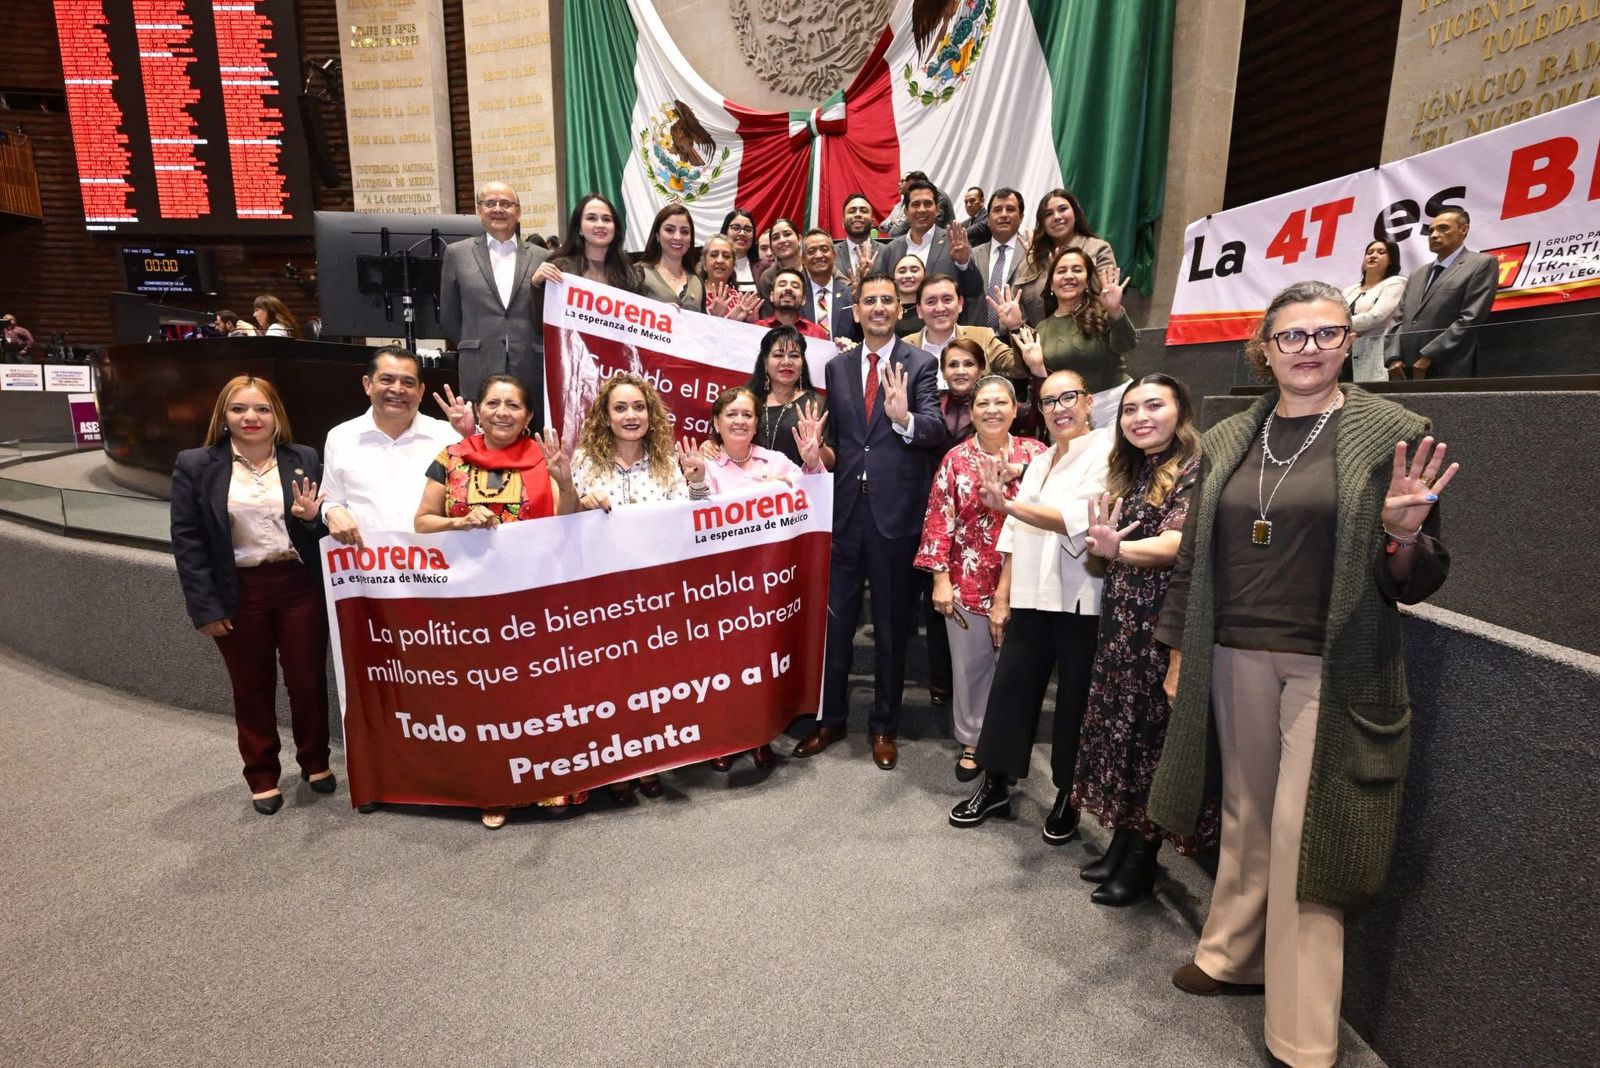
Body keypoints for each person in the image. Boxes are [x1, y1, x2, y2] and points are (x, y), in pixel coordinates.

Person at [1147, 280, 1456, 1068]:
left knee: (1304, 836)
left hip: (1331, 663)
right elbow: (1194, 558)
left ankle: (1302, 1032)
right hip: (1233, 653)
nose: (1309, 348)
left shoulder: (1395, 433)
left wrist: (1402, 536)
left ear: (1349, 342)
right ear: (1266, 349)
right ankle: (1232, 953)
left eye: (1326, 333)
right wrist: (1178, 652)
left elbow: (1415, 580)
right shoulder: (1228, 436)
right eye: (1292, 335)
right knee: (1245, 813)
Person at [948, 369, 1111, 845]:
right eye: (1048, 401)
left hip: (1081, 599)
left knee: (1074, 702)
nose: (1059, 408)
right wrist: (1002, 596)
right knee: (1010, 692)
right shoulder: (1040, 461)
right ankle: (996, 782)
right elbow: (1015, 533)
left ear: (1088, 402)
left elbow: (1076, 519)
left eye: (1068, 398)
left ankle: (1068, 795)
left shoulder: (1106, 451)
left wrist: (1009, 505)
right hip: (1031, 596)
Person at [1070, 373, 1214, 907]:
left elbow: (1177, 543)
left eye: (1154, 406)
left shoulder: (1195, 468)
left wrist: (1119, 551)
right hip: (1121, 625)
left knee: (1150, 743)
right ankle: (1123, 843)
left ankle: (1142, 861)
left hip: (1161, 627)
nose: (1140, 417)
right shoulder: (1134, 470)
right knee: (1123, 737)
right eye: (1130, 409)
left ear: (1182, 412)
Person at [793, 272, 943, 771]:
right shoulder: (836, 368)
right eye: (869, 301)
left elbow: (934, 430)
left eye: (887, 300)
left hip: (896, 516)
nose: (878, 307)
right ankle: (830, 719)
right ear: (855, 312)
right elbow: (840, 444)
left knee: (891, 628)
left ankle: (883, 727)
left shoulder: (920, 364)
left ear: (900, 309)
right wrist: (817, 455)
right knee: (835, 624)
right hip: (844, 514)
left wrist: (903, 419)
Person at [414, 373, 577, 828]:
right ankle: (494, 789)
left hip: (534, 597)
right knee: (484, 698)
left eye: (513, 405)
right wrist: (459, 522)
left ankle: (546, 782)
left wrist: (566, 483)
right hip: (470, 601)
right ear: (479, 410)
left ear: (528, 416)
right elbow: (422, 522)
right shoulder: (449, 458)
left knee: (537, 695)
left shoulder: (545, 458)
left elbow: (567, 521)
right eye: (493, 403)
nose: (502, 412)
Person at [169, 376, 332, 815]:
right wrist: (205, 607)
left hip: (299, 586)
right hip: (239, 589)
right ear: (223, 417)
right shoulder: (196, 464)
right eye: (239, 409)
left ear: (277, 415)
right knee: (252, 687)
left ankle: (316, 762)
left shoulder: (304, 458)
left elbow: (319, 529)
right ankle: (261, 776)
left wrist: (310, 519)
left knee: (308, 681)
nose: (251, 417)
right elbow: (188, 542)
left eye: (262, 408)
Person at [683, 386, 827, 771]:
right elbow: (697, 520)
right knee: (724, 665)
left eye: (747, 414)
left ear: (756, 422)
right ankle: (725, 739)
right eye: (731, 414)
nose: (740, 421)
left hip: (770, 585)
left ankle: (760, 736)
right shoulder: (705, 464)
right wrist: (699, 483)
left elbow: (811, 496)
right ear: (716, 423)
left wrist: (812, 463)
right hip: (722, 586)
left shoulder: (776, 460)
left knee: (763, 663)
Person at [916, 373, 1045, 779]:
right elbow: (938, 520)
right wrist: (940, 578)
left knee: (1018, 669)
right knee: (970, 668)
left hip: (1027, 581)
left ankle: (1008, 742)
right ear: (971, 413)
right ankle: (972, 740)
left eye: (1000, 402)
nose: (992, 410)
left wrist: (1020, 470)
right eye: (982, 404)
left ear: (1015, 409)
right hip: (967, 580)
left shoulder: (1037, 454)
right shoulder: (955, 459)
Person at [570, 372, 691, 800]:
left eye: (639, 407)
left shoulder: (666, 462)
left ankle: (649, 761)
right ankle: (616, 765)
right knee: (607, 682)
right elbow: (566, 520)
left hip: (653, 591)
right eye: (620, 408)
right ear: (606, 416)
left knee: (650, 679)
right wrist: (581, 503)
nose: (631, 415)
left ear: (650, 414)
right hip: (601, 594)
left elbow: (686, 522)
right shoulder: (584, 461)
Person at [319, 345, 476, 547]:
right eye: (387, 380)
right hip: (369, 561)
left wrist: (471, 436)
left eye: (408, 382)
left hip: (438, 559)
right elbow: (332, 500)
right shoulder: (340, 437)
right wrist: (332, 511)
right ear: (367, 384)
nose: (397, 389)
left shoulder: (449, 436)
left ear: (421, 391)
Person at [438, 181, 551, 413]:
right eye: (490, 203)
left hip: (530, 365)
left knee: (532, 431)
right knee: (478, 431)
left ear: (518, 212)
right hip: (478, 363)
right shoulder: (457, 253)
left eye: (506, 204)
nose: (498, 209)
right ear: (479, 210)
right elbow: (449, 316)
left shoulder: (543, 257)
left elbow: (547, 313)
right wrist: (475, 343)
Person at [996, 246, 1136, 430]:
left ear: (1087, 281)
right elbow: (1026, 371)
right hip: (1069, 412)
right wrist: (1016, 326)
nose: (1069, 276)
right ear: (1051, 284)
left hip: (1115, 405)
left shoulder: (1103, 313)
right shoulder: (1042, 328)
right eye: (1061, 271)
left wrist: (1115, 311)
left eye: (1077, 270)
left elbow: (1127, 345)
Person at [1385, 206, 1498, 379]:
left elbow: (1471, 318)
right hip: (1404, 370)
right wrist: (1394, 358)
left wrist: (1429, 356)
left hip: (1448, 366)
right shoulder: (1417, 274)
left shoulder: (1481, 264)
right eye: (1431, 231)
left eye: (1443, 228)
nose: (1434, 235)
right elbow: (1398, 319)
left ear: (1463, 230)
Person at [873, 179, 984, 307]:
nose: (922, 209)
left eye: (927, 204)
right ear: (906, 212)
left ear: (937, 209)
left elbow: (975, 290)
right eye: (915, 205)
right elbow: (880, 293)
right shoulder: (891, 250)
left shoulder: (955, 242)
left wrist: (963, 264)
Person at [1013, 189, 1117, 326]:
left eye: (1063, 209)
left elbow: (1107, 302)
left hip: (1088, 334)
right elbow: (1018, 309)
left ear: (1076, 214)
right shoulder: (1032, 259)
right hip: (1039, 337)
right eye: (1048, 214)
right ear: (1042, 223)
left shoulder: (1098, 249)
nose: (1056, 217)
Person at [745, 325, 833, 470]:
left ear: (802, 362)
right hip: (749, 482)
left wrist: (818, 445)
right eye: (778, 355)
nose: (787, 361)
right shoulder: (747, 401)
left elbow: (830, 464)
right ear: (765, 362)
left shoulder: (816, 404)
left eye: (794, 355)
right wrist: (711, 446)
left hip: (799, 483)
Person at [905, 274, 1019, 382]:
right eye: (931, 302)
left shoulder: (982, 338)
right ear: (919, 310)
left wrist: (1016, 327)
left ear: (960, 304)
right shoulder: (904, 347)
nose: (940, 308)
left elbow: (1019, 370)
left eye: (947, 300)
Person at [533, 193, 643, 293]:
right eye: (591, 218)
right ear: (579, 228)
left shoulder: (628, 272)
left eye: (606, 219)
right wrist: (536, 284)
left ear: (615, 227)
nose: (600, 225)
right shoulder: (559, 269)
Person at [1343, 239, 1405, 383]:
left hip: (1373, 355)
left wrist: (1336, 327)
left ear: (1391, 260)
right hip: (1343, 356)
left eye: (1381, 252)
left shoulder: (1396, 283)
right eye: (1369, 252)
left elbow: (1375, 317)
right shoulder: (1349, 290)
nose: (1373, 255)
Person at [969, 189, 1026, 331]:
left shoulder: (1032, 252)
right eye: (997, 210)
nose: (1004, 215)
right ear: (988, 219)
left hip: (1021, 336)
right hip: (979, 338)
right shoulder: (972, 255)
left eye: (1010, 209)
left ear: (1021, 217)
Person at [638, 203, 704, 311]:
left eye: (684, 232)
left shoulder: (698, 283)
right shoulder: (638, 274)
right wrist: (656, 312)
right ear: (657, 236)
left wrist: (717, 316)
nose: (678, 237)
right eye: (669, 230)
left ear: (690, 239)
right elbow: (622, 317)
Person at [799, 228, 857, 339]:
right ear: (803, 260)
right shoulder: (797, 296)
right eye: (811, 251)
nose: (818, 255)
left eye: (824, 249)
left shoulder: (850, 294)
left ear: (834, 255)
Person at [754, 267, 830, 340]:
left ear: (803, 300)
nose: (788, 288)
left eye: (795, 286)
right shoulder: (756, 328)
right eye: (782, 285)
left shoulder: (818, 334)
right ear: (772, 296)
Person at [701, 234, 762, 321]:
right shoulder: (695, 295)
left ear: (733, 266)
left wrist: (749, 322)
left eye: (726, 256)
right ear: (704, 264)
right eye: (714, 255)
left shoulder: (739, 301)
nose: (720, 260)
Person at [834, 192, 884, 281]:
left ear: (872, 223)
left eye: (864, 211)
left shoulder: (887, 252)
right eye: (852, 211)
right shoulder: (831, 254)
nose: (858, 214)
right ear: (843, 223)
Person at [755, 217, 805, 300]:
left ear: (799, 239)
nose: (782, 240)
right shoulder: (767, 277)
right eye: (776, 238)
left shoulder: (813, 270)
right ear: (772, 247)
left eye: (787, 234)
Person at [720, 207, 762, 291]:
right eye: (736, 228)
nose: (742, 233)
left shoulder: (763, 269)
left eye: (748, 229)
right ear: (725, 232)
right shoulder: (715, 265)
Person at [890, 254, 927, 337]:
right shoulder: (887, 309)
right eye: (902, 271)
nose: (908, 276)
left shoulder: (932, 309)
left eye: (914, 270)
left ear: (925, 276)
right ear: (894, 278)